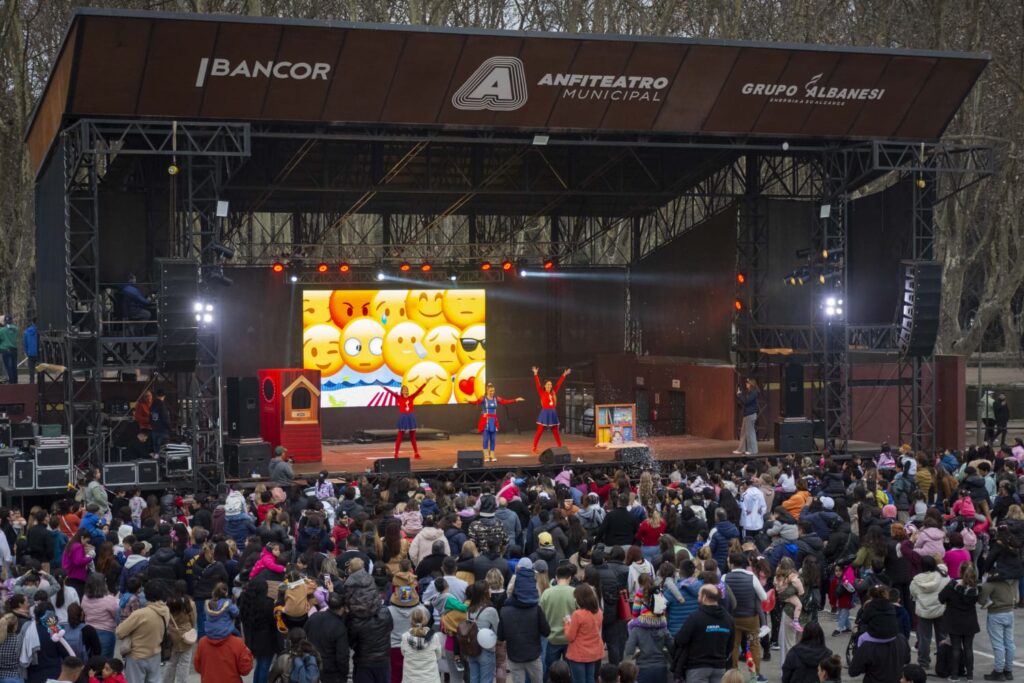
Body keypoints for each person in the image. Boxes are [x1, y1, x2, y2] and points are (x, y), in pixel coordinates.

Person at [670, 585, 734, 683]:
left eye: (699, 594)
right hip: (720, 667)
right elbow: (731, 645)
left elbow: (680, 640)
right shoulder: (729, 619)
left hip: (697, 668)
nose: (698, 597)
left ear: (704, 597)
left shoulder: (695, 617)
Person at [499, 560, 550, 683]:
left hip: (515, 656)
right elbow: (546, 632)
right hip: (533, 656)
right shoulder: (536, 610)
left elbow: (500, 636)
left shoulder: (505, 611)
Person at [115, 579, 172, 683]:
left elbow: (119, 632)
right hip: (155, 654)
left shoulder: (140, 614)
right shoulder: (166, 611)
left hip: (137, 656)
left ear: (146, 594)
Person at [723, 552, 766, 680]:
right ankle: (755, 675)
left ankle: (734, 675)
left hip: (733, 619)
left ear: (731, 563)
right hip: (751, 618)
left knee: (734, 646)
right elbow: (764, 597)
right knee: (754, 645)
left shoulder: (725, 577)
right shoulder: (752, 577)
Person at [939, 562, 980, 683]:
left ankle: (954, 676)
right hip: (970, 621)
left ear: (960, 572)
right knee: (968, 648)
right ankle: (970, 676)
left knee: (955, 648)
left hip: (954, 620)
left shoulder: (952, 585)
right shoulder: (976, 588)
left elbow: (941, 598)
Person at [909, 555, 949, 670]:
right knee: (942, 637)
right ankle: (942, 661)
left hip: (924, 612)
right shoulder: (944, 577)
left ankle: (923, 662)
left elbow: (913, 595)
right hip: (940, 610)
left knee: (924, 638)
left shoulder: (916, 581)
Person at [469, 384, 525, 463]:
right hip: (485, 422)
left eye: (493, 391)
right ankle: (486, 456)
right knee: (485, 439)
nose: (492, 392)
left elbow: (505, 401)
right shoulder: (483, 398)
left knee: (493, 439)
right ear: (487, 391)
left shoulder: (496, 398)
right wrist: (469, 401)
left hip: (493, 421)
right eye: (490, 391)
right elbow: (476, 402)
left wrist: (516, 400)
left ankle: (492, 455)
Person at [540, 563, 578, 676]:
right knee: (569, 672)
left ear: (556, 577)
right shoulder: (575, 593)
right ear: (570, 578)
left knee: (550, 671)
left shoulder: (546, 593)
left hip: (552, 638)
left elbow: (540, 615)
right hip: (570, 639)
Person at [980, 569, 1017, 681]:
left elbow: (981, 600)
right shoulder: (1011, 581)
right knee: (1009, 643)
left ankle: (999, 671)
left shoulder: (991, 583)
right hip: (1009, 613)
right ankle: (1008, 671)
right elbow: (1017, 598)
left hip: (996, 614)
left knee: (998, 645)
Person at [306, 592, 349, 683]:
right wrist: (344, 673)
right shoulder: (340, 626)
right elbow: (342, 655)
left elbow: (304, 636)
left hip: (312, 665)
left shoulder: (314, 617)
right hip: (331, 672)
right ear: (342, 608)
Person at [565, 583, 604, 683]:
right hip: (593, 652)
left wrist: (567, 624)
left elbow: (570, 637)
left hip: (578, 654)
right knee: (590, 678)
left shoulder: (578, 614)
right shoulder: (599, 612)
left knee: (579, 680)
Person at [398, 605, 443, 683]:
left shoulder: (405, 637)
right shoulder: (433, 636)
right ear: (425, 619)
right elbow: (438, 655)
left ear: (411, 619)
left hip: (410, 679)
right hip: (430, 679)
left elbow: (403, 653)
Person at [531, 366, 570, 453]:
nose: (550, 386)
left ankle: (560, 446)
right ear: (545, 386)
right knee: (540, 431)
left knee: (555, 431)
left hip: (552, 413)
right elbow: (537, 384)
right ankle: (534, 447)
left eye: (551, 384)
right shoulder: (541, 392)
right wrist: (535, 374)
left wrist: (564, 374)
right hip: (545, 413)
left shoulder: (553, 392)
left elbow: (559, 384)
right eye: (548, 384)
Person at [382, 384, 425, 459]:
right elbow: (391, 392)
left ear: (407, 391)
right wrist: (384, 387)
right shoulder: (399, 397)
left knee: (412, 436)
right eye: (403, 389)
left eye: (406, 389)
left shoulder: (411, 397)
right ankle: (396, 453)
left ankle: (416, 453)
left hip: (410, 417)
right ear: (401, 391)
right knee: (400, 436)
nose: (405, 390)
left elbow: (418, 391)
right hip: (403, 417)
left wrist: (425, 383)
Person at [734, 377, 759, 455]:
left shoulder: (754, 392)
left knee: (750, 433)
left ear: (751, 384)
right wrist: (740, 395)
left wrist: (740, 395)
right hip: (747, 414)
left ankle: (753, 450)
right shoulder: (750, 392)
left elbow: (746, 401)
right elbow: (745, 401)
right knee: (744, 433)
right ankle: (741, 449)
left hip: (750, 415)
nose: (746, 384)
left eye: (747, 383)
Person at [149, 388, 171, 455]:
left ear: (156, 395)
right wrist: (169, 428)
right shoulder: (162, 405)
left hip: (154, 429)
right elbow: (165, 418)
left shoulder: (152, 405)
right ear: (164, 396)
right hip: (162, 430)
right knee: (163, 450)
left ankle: (156, 459)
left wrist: (153, 425)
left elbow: (150, 417)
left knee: (156, 450)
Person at [0, 316, 17, 384]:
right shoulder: (15, 329)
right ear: (11, 321)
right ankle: (15, 382)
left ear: (4, 322)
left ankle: (11, 382)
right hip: (14, 350)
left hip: (5, 350)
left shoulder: (1, 330)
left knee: (8, 367)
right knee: (14, 366)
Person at [23, 317, 37, 384]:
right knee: (40, 369)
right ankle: (40, 383)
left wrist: (26, 352)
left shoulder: (26, 331)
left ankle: (32, 383)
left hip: (30, 353)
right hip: (38, 353)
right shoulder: (39, 331)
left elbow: (25, 344)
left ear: (32, 322)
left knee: (31, 370)